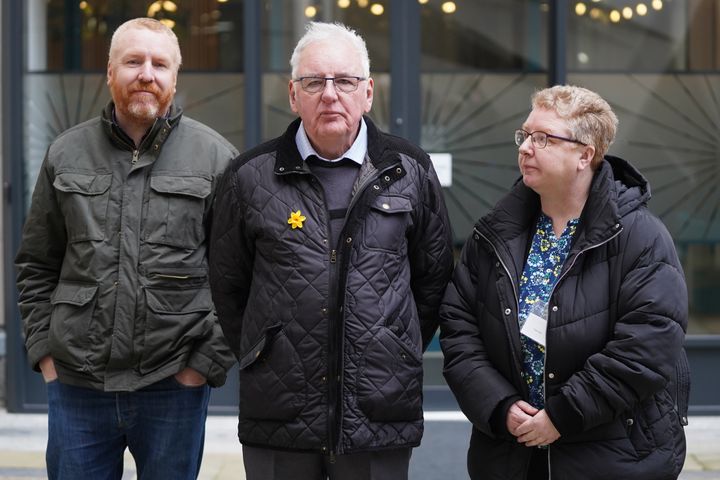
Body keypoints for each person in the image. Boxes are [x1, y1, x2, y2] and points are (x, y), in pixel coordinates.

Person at [209, 21, 454, 480]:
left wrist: (393, 346)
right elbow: (228, 286)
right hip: (279, 411)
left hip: (378, 407)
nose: (329, 93)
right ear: (292, 94)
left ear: (367, 93)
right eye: (313, 81)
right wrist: (266, 349)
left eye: (343, 81)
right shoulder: (249, 176)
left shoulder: (409, 170)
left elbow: (433, 278)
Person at [15, 17, 237, 480]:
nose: (146, 74)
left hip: (173, 384)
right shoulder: (66, 154)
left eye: (160, 64)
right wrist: (46, 354)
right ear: (110, 70)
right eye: (133, 61)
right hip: (77, 384)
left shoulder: (216, 159)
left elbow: (238, 278)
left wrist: (201, 367)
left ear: (175, 76)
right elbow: (37, 264)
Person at [439, 85, 689, 480]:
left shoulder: (640, 237)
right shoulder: (494, 234)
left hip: (612, 454)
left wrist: (561, 415)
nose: (525, 147)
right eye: (525, 135)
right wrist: (499, 406)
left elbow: (647, 344)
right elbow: (459, 328)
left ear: (584, 154)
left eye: (544, 138)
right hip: (510, 453)